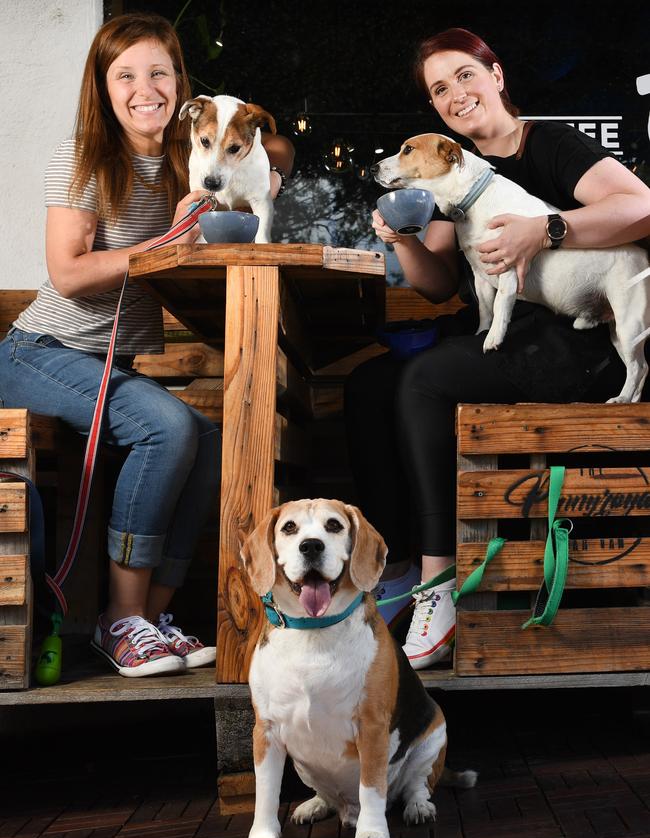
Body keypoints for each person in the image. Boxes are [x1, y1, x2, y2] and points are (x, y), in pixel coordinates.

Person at [345, 27, 650, 670]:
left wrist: (549, 228)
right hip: (494, 327)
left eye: (464, 75)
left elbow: (641, 207)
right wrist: (401, 239)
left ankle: (439, 582)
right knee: (366, 386)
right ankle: (396, 568)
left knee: (423, 379)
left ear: (497, 75)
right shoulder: (450, 171)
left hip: (568, 337)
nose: (455, 94)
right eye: (438, 89)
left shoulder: (551, 145)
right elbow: (433, 286)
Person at [0, 13, 294, 677]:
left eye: (159, 71)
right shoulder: (82, 155)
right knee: (166, 428)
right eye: (125, 74)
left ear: (180, 85)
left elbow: (245, 199)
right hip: (39, 352)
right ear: (103, 88)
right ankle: (119, 619)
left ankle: (152, 617)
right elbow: (69, 272)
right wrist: (161, 246)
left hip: (109, 366)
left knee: (209, 440)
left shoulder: (189, 161)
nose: (145, 87)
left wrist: (262, 180)